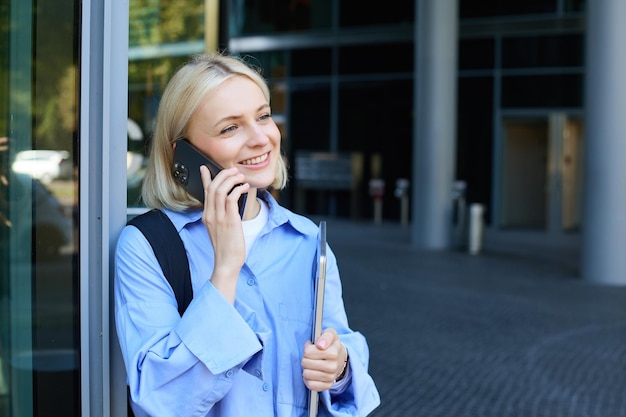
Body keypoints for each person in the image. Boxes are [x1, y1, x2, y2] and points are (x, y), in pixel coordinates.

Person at [114, 52, 380, 417]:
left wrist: (339, 367)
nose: (261, 138)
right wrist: (225, 270)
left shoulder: (305, 240)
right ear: (184, 154)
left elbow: (340, 347)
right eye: (230, 127)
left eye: (264, 116)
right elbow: (159, 401)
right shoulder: (147, 246)